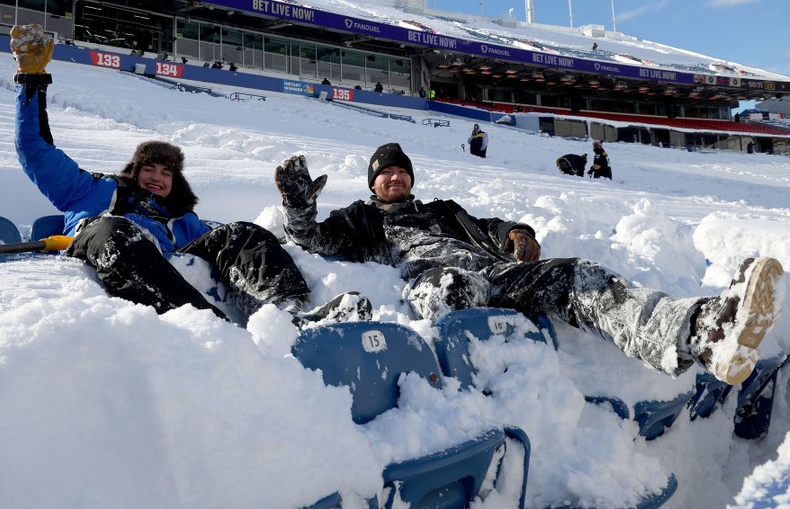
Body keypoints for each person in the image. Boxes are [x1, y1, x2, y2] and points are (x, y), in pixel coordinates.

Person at [274, 143, 785, 386]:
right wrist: (299, 207)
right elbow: (314, 241)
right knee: (452, 286)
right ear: (372, 184)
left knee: (575, 274)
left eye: (401, 172)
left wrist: (518, 233)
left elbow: (492, 227)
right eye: (384, 174)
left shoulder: (442, 211)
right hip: (432, 283)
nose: (394, 179)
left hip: (497, 276)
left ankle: (703, 333)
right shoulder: (362, 219)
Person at [10, 24, 354, 326]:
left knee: (242, 233)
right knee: (117, 230)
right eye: (149, 169)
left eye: (166, 173)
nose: (157, 178)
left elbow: (237, 243)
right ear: (134, 172)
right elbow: (33, 148)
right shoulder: (89, 189)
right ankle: (210, 326)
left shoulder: (181, 220)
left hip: (161, 249)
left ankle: (288, 312)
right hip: (103, 240)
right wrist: (31, 79)